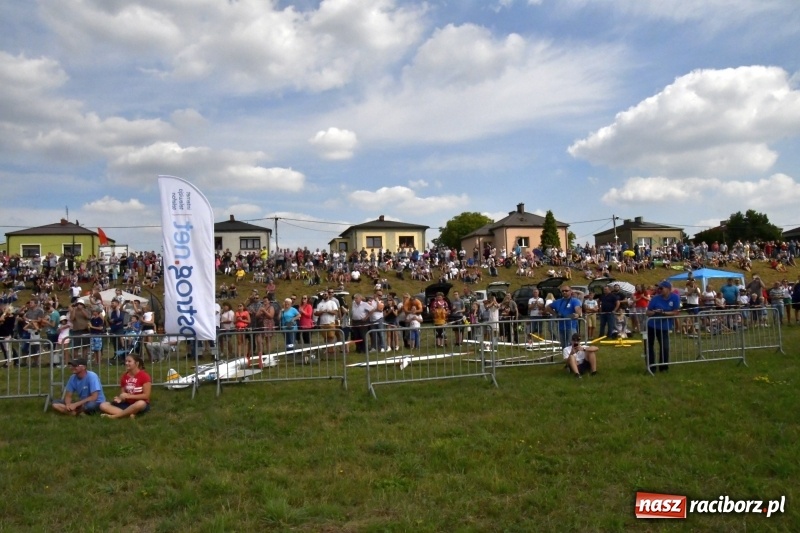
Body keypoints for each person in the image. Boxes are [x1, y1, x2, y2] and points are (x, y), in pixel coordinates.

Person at [100, 354, 151, 419]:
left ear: (137, 363)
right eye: (126, 361)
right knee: (103, 405)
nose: (126, 363)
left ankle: (114, 416)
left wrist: (129, 396)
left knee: (140, 403)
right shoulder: (124, 376)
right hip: (127, 403)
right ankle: (129, 414)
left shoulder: (144, 376)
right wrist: (120, 398)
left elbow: (146, 396)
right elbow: (123, 393)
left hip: (140, 403)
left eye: (129, 361)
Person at [646, 281, 681, 373]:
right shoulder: (655, 298)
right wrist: (654, 312)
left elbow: (676, 312)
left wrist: (663, 313)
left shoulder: (675, 297)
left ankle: (663, 367)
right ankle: (651, 367)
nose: (659, 290)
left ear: (668, 289)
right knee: (649, 346)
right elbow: (648, 312)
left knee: (665, 347)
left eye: (661, 288)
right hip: (651, 325)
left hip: (664, 326)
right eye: (659, 288)